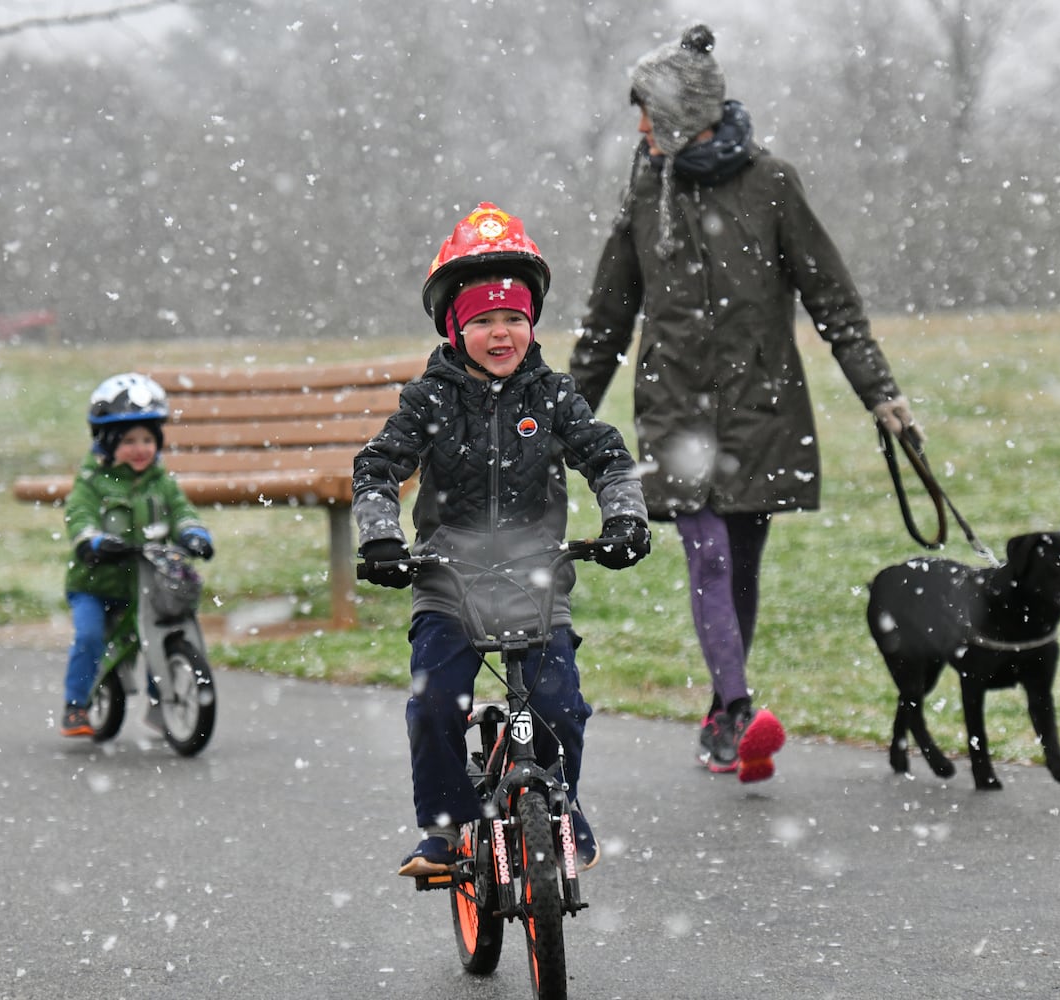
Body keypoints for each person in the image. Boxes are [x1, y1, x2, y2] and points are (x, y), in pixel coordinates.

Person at [569, 25, 921, 781]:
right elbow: (606, 321)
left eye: (645, 112)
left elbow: (835, 302)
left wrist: (882, 396)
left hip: (764, 408)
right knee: (708, 556)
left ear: (684, 113)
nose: (636, 128)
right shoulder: (642, 189)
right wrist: (559, 418)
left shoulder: (772, 183)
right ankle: (736, 706)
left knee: (742, 567)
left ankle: (722, 717)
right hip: (675, 412)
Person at [353, 202, 652, 877]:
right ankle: (445, 828)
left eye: (514, 317)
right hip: (446, 577)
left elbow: (607, 458)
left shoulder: (552, 397)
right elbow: (377, 468)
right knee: (436, 703)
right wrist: (381, 538)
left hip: (535, 576)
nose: (501, 332)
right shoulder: (429, 400)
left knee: (559, 707)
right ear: (456, 327)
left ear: (532, 324)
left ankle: (562, 803)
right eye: (483, 319)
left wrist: (625, 520)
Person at [58, 372, 214, 737]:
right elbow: (78, 514)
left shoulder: (160, 481)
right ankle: (76, 704)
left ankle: (163, 703)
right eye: (129, 440)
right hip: (95, 583)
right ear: (107, 443)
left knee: (163, 630)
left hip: (146, 584)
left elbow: (181, 510)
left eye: (147, 439)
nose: (141, 448)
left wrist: (194, 533)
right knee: (90, 635)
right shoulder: (92, 482)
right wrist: (92, 541)